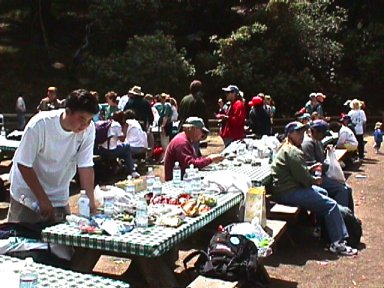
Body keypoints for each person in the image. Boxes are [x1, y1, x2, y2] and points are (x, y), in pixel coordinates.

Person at [8, 89, 99, 224]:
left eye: (89, 120)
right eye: (82, 119)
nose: (85, 125)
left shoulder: (89, 129)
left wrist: (91, 202)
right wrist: (42, 199)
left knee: (62, 242)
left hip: (59, 196)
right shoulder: (40, 124)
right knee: (23, 241)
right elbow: (23, 164)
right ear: (68, 111)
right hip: (27, 196)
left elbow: (85, 165)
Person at [271, 121, 357, 256]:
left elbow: (298, 172)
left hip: (287, 189)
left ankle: (322, 229)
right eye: (297, 132)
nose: (301, 135)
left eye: (302, 132)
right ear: (289, 134)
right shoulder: (292, 151)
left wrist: (310, 170)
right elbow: (305, 180)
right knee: (331, 205)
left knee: (324, 192)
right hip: (288, 192)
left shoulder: (287, 148)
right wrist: (314, 180)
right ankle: (337, 243)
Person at [301, 120, 354, 212]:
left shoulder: (317, 140)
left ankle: (350, 218)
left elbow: (320, 158)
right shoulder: (308, 143)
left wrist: (327, 152)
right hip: (314, 177)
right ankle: (342, 216)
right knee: (342, 190)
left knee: (348, 188)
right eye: (323, 133)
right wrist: (328, 165)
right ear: (315, 132)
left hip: (323, 174)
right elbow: (311, 166)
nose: (325, 136)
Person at [164, 117, 224, 181]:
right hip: (177, 181)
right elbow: (191, 165)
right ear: (192, 129)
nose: (202, 134)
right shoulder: (181, 142)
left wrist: (208, 158)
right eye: (201, 131)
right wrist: (210, 159)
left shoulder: (186, 139)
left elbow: (194, 160)